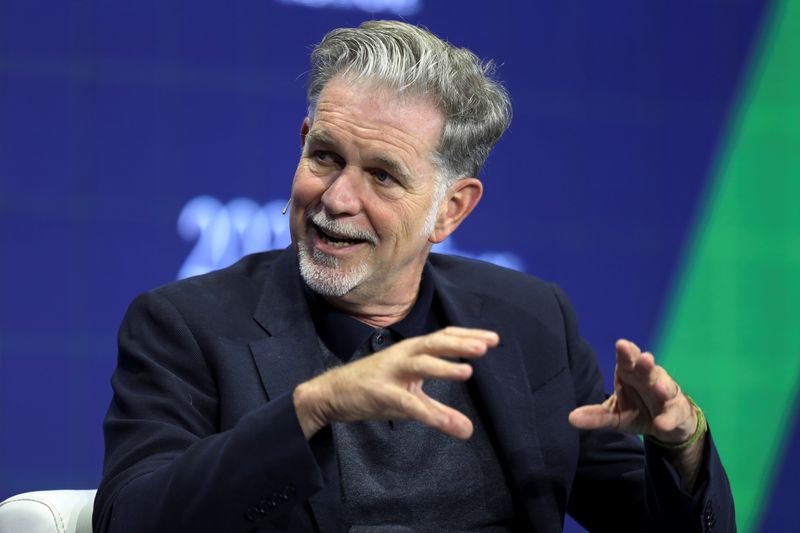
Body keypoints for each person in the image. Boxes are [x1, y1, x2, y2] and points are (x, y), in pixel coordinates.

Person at [93, 20, 734, 533]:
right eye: (324, 156)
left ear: (451, 208)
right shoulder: (187, 325)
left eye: (382, 175)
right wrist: (314, 407)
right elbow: (131, 519)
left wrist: (684, 445)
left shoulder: (529, 319)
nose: (338, 198)